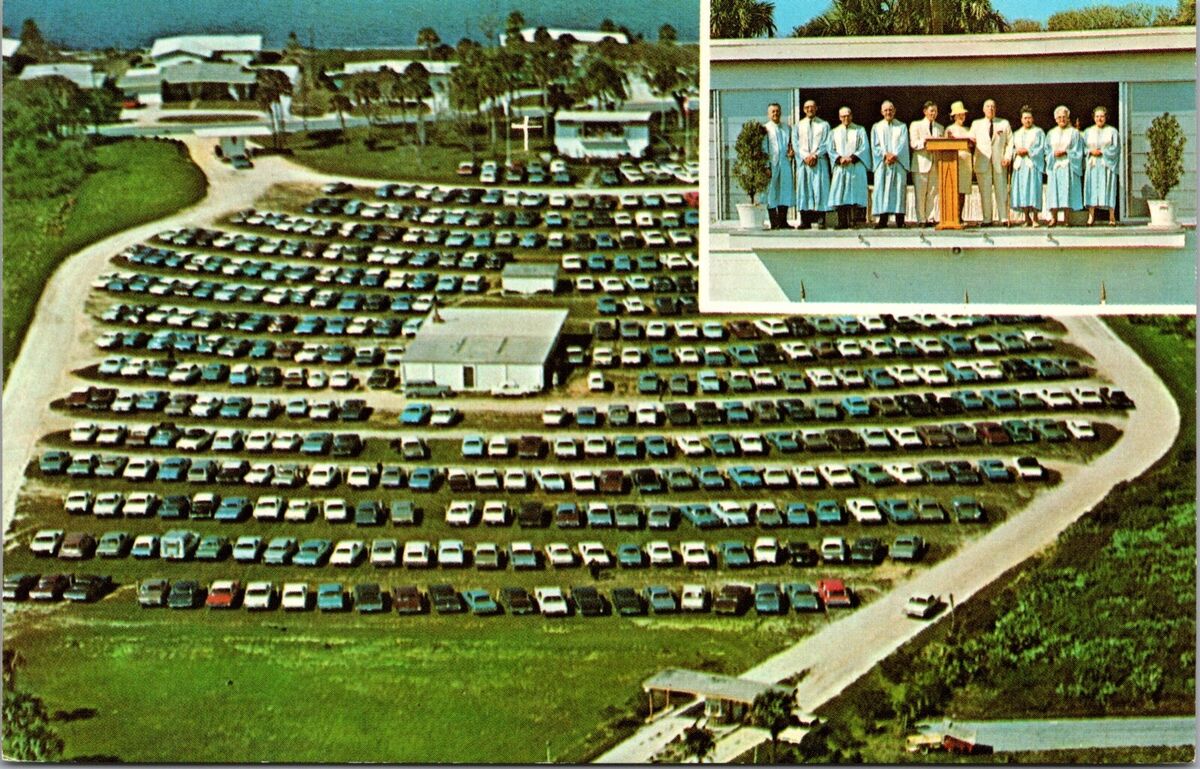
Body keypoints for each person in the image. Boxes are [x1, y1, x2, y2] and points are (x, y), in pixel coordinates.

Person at [969, 99, 1012, 226]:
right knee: (985, 191)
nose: (990, 109)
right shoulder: (976, 124)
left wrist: (1007, 157)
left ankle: (1003, 218)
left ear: (996, 109)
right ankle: (987, 219)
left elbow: (1010, 142)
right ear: (983, 109)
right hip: (983, 161)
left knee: (1001, 190)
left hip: (1000, 162)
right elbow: (970, 140)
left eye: (993, 106)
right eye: (988, 106)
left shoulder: (1004, 123)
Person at [826, 106, 869, 230]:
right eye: (843, 116)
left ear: (852, 116)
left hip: (855, 165)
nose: (846, 118)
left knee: (854, 194)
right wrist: (840, 159)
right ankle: (842, 222)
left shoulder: (859, 130)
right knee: (840, 193)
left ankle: (854, 221)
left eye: (848, 115)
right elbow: (830, 149)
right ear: (840, 117)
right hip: (841, 167)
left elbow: (864, 147)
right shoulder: (834, 132)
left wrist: (852, 157)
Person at [870, 100, 910, 228]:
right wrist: (885, 155)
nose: (888, 112)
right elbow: (875, 145)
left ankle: (900, 220)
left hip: (898, 162)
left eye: (890, 110)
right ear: (882, 112)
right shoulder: (877, 127)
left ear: (894, 111)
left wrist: (894, 155)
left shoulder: (902, 126)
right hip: (883, 163)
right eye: (886, 110)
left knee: (898, 190)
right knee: (882, 190)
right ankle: (882, 220)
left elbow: (903, 144)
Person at [794, 99, 832, 229]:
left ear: (816, 108)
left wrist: (815, 155)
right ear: (804, 110)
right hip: (804, 163)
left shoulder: (824, 125)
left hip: (819, 161)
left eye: (812, 107)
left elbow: (827, 142)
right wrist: (805, 157)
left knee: (820, 189)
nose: (810, 109)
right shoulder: (798, 125)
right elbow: (795, 144)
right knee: (804, 190)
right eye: (807, 107)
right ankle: (805, 221)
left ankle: (821, 219)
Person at [1006, 106, 1047, 227]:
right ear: (1021, 119)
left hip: (1032, 164)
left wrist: (1028, 151)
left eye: (1029, 118)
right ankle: (1026, 218)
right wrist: (1016, 152)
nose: (1027, 120)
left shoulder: (1038, 132)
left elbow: (1041, 148)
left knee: (1033, 190)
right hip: (1020, 166)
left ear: (1033, 119)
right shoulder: (1017, 133)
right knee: (1022, 191)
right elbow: (1011, 148)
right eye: (1025, 118)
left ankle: (1035, 218)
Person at [1044, 105, 1084, 227]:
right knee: (1054, 191)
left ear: (1068, 118)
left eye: (1064, 117)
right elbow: (1046, 150)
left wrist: (1067, 152)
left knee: (1067, 191)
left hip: (1068, 165)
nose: (1062, 119)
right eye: (1059, 117)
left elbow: (1078, 150)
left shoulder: (1074, 133)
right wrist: (1053, 154)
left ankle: (1066, 219)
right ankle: (1053, 218)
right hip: (1055, 165)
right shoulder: (1051, 133)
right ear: (1056, 119)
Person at [909, 100, 944, 226]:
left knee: (933, 193)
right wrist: (925, 141)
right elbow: (913, 144)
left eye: (935, 111)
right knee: (920, 193)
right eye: (931, 111)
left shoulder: (940, 127)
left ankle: (930, 218)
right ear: (925, 112)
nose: (933, 114)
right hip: (921, 164)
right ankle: (921, 219)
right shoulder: (916, 125)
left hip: (935, 164)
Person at [1083, 106, 1120, 226]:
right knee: (1092, 187)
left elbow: (1116, 148)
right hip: (1093, 163)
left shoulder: (1113, 131)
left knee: (1108, 187)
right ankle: (1091, 216)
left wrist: (1104, 151)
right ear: (1094, 118)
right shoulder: (1088, 131)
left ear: (1106, 117)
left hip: (1106, 163)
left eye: (1102, 116)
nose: (1099, 119)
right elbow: (1083, 147)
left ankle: (1111, 216)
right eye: (1097, 116)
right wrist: (1090, 151)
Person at [762, 102, 794, 230]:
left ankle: (783, 221)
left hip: (785, 163)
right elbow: (764, 148)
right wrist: (766, 167)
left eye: (777, 111)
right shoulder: (766, 128)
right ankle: (774, 222)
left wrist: (791, 153)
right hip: (772, 164)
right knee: (772, 192)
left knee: (784, 191)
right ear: (769, 114)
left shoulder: (787, 128)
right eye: (773, 111)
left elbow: (790, 145)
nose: (775, 113)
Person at [944, 101, 975, 222]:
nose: (962, 117)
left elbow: (972, 143)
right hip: (953, 161)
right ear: (954, 116)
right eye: (959, 115)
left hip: (966, 161)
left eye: (963, 114)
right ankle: (951, 216)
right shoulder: (949, 129)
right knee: (953, 189)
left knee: (962, 190)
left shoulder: (969, 129)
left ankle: (959, 216)